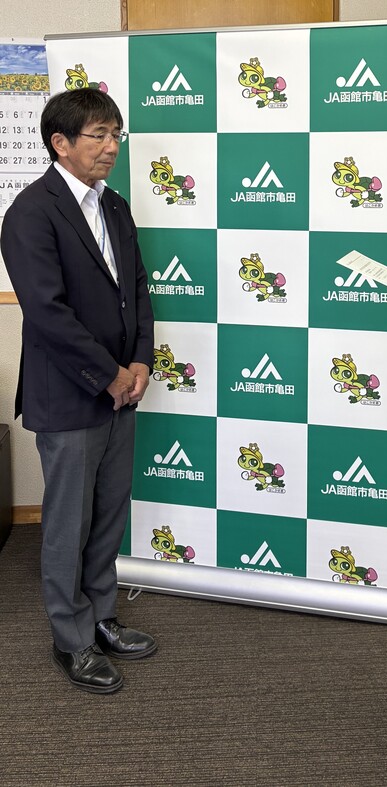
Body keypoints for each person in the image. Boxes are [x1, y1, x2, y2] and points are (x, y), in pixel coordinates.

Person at [1, 88, 156, 694]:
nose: (112, 146)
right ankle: (71, 638)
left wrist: (140, 360)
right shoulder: (30, 212)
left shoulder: (113, 206)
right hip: (70, 394)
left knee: (108, 514)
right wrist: (109, 374)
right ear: (59, 143)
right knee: (68, 520)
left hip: (123, 388)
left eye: (116, 134)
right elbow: (46, 312)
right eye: (99, 135)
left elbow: (137, 288)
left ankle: (101, 614)